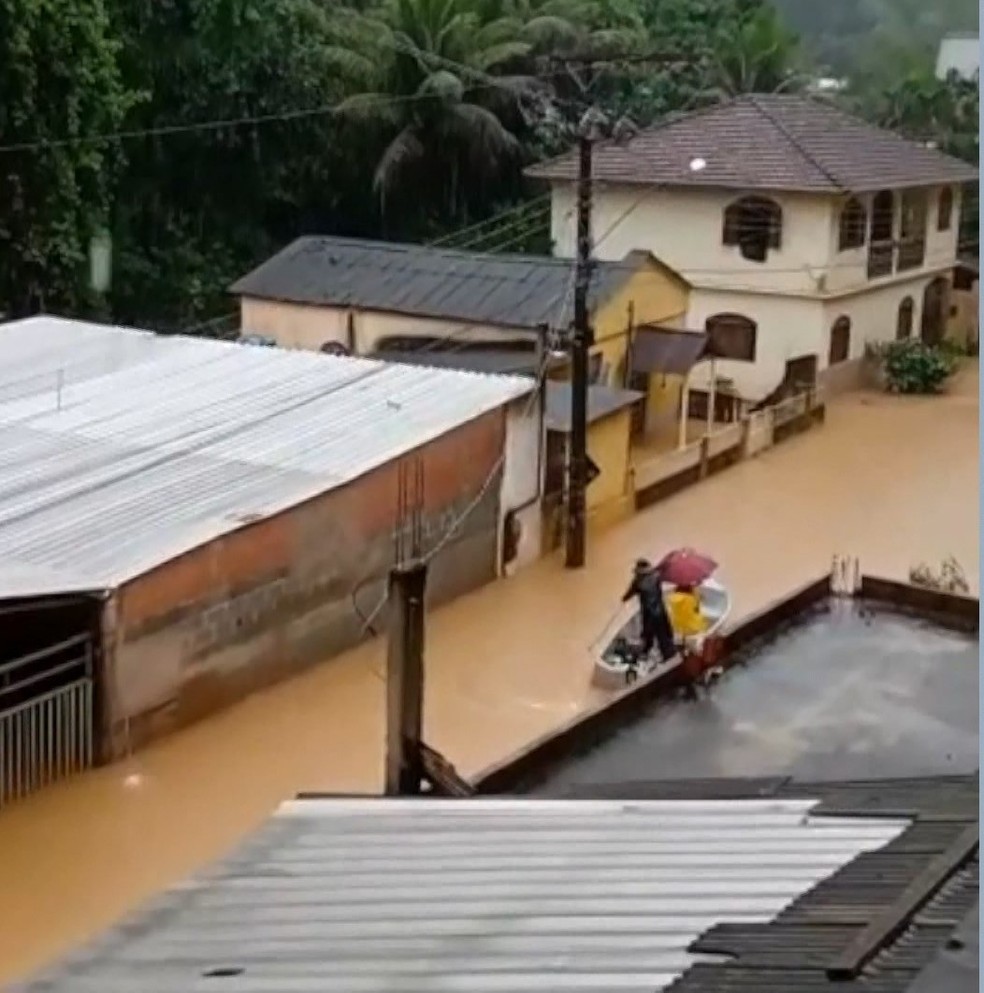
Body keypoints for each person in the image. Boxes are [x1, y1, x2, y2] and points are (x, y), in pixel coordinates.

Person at [621, 559, 676, 664]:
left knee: (648, 634)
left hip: (649, 613)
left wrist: (623, 599)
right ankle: (669, 656)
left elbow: (629, 594)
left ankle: (646, 652)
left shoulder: (637, 581)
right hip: (660, 611)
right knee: (663, 636)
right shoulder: (657, 576)